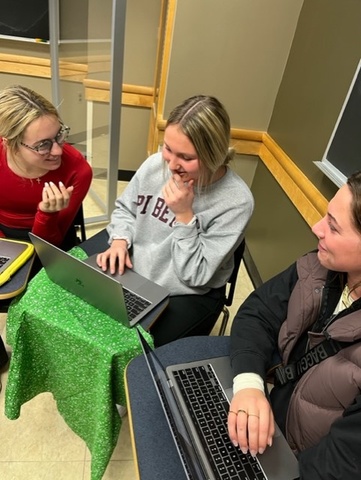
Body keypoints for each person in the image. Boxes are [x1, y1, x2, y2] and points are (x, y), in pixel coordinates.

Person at [228, 170, 361, 479]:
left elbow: (337, 465)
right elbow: (257, 312)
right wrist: (249, 385)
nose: (317, 229)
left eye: (333, 227)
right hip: (269, 422)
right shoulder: (318, 267)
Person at [97, 95, 254, 346]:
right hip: (136, 272)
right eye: (168, 148)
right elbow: (126, 208)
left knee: (126, 348)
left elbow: (195, 275)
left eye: (186, 157)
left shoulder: (236, 202)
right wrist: (119, 241)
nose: (171, 164)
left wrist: (184, 217)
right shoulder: (155, 165)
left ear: (214, 155)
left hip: (183, 291)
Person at [0, 84, 93, 374]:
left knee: (47, 299)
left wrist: (46, 214)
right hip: (3, 237)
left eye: (59, 135)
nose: (57, 150)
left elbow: (51, 243)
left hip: (47, 240)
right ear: (10, 142)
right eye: (43, 144)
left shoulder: (77, 170)